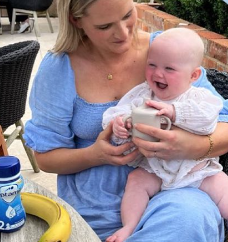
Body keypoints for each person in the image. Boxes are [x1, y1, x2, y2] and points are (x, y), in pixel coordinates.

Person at [23, 0, 228, 241]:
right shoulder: (58, 68)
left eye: (128, 15)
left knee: (186, 220)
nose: (123, 33)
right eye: (105, 26)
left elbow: (220, 119)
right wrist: (95, 154)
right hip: (96, 204)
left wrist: (191, 146)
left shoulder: (167, 51)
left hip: (179, 188)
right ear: (76, 20)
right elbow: (46, 157)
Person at [102, 28, 228, 242]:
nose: (157, 74)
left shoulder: (198, 97)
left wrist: (176, 112)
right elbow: (117, 112)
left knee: (223, 187)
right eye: (152, 65)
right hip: (155, 170)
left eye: (169, 68)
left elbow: (208, 120)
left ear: (194, 75)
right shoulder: (142, 94)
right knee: (135, 182)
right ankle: (129, 227)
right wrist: (120, 124)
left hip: (196, 171)